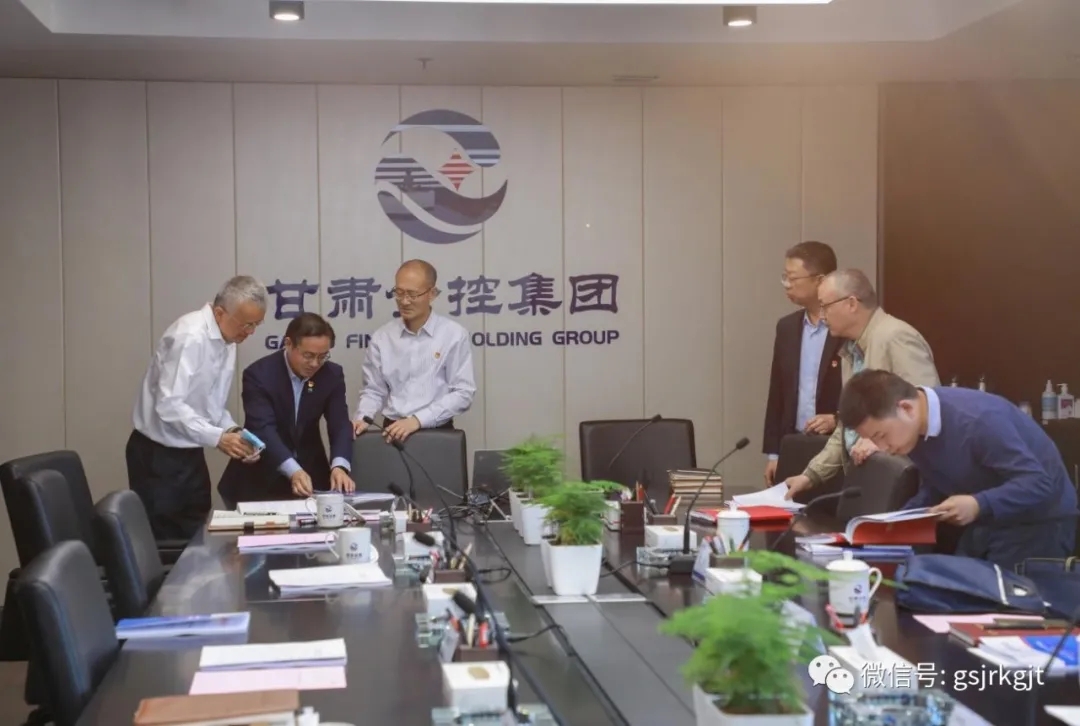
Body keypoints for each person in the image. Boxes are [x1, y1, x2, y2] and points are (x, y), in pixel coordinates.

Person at [837, 369, 1078, 568]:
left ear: (906, 408)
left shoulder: (978, 421)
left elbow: (1039, 483)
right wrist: (896, 525)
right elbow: (938, 480)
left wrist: (977, 504)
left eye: (881, 436)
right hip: (987, 521)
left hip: (1039, 524)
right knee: (945, 590)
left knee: (993, 605)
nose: (883, 448)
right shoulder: (913, 430)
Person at [127, 276, 266, 540]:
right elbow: (169, 406)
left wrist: (233, 433)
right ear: (219, 313)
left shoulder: (227, 340)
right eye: (246, 324)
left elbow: (211, 406)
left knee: (197, 532)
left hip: (190, 452)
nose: (250, 332)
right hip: (158, 456)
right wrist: (218, 438)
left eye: (256, 325)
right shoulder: (189, 336)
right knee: (165, 539)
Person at [783, 269, 940, 500]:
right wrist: (811, 475)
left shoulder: (895, 337)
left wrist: (880, 441)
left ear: (851, 304)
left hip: (903, 484)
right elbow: (847, 427)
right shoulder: (850, 351)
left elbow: (929, 408)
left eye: (825, 306)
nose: (822, 316)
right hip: (869, 477)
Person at [217, 313, 355, 506]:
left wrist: (339, 466)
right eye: (308, 355)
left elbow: (339, 424)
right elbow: (263, 428)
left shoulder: (331, 374)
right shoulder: (259, 375)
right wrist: (293, 470)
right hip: (260, 478)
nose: (315, 364)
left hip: (311, 477)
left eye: (322, 356)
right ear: (288, 344)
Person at [352, 259, 476, 444]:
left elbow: (463, 393)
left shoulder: (453, 335)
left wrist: (418, 420)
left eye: (412, 294)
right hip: (391, 432)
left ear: (432, 293)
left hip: (436, 432)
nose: (404, 301)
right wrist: (362, 417)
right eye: (399, 292)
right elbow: (374, 390)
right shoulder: (382, 337)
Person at [762, 241, 844, 485]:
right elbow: (777, 392)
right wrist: (774, 454)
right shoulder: (787, 327)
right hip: (794, 443)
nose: (786, 285)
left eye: (792, 278)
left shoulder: (845, 327)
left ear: (820, 280)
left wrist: (837, 419)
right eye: (784, 277)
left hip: (836, 446)